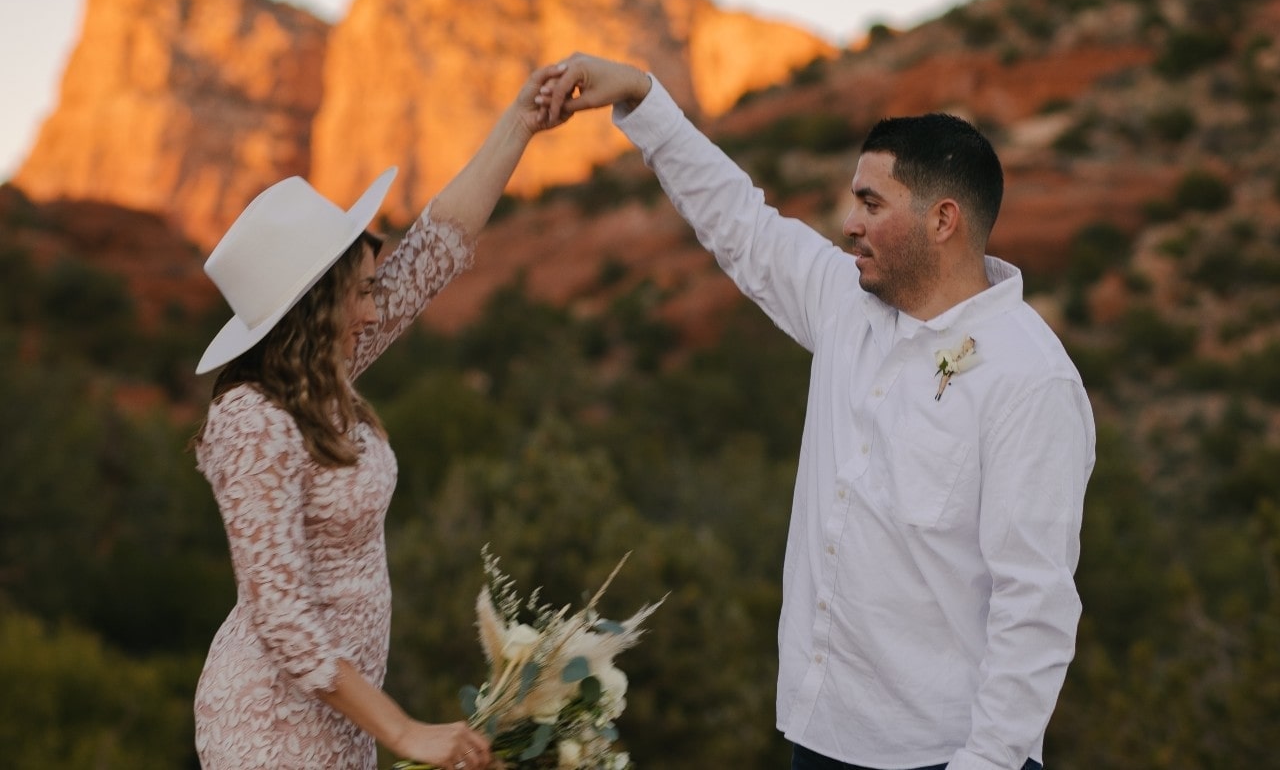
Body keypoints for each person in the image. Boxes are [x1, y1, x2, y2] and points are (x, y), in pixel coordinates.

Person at [536, 55, 1095, 770]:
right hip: (820, 733)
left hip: (949, 754)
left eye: (871, 202)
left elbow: (1036, 605)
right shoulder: (844, 305)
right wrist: (644, 98)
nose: (847, 221)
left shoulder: (1030, 379)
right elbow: (739, 222)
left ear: (943, 220)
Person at [190, 63, 570, 770]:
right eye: (360, 293)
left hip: (341, 717)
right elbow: (280, 616)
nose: (374, 308)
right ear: (315, 307)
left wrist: (521, 123)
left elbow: (436, 247)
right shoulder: (251, 418)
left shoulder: (324, 376)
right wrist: (404, 730)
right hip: (269, 723)